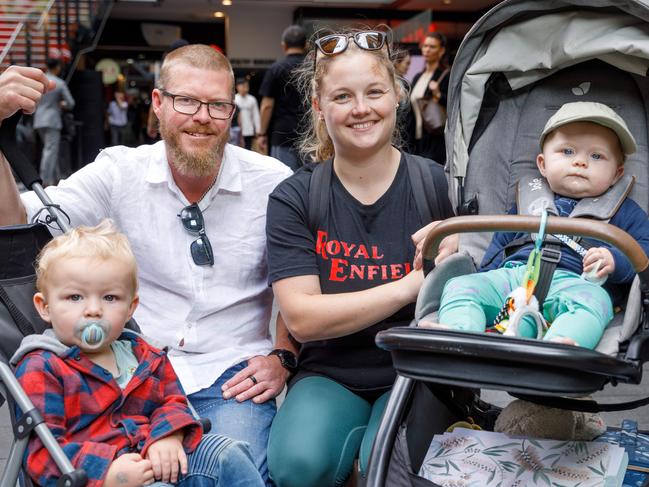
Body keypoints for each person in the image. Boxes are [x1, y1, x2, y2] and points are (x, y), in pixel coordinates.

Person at [0, 45, 295, 486]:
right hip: (123, 371)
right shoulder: (121, 172)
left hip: (230, 375)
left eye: (217, 105)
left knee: (237, 471)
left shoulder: (272, 182)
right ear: (158, 104)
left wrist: (284, 355)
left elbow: (301, 276)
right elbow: (15, 225)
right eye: (186, 101)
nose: (202, 116)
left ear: (232, 111)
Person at [264, 28, 455, 487]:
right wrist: (412, 285)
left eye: (374, 92)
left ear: (397, 95)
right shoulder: (295, 197)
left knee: (386, 465)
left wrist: (459, 254)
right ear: (318, 106)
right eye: (343, 96)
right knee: (295, 466)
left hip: (419, 369)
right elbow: (304, 319)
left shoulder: (436, 184)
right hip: (331, 372)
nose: (361, 108)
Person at [11, 221, 265, 487]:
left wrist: (168, 434)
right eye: (75, 298)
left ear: (131, 307)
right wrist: (107, 473)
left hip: (155, 455)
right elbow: (41, 454)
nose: (93, 310)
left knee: (227, 453)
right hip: (93, 476)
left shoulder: (144, 355)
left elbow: (173, 402)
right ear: (45, 307)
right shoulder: (42, 367)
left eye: (110, 298)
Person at [420, 102, 649, 350]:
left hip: (577, 283)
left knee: (593, 303)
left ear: (616, 174)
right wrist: (488, 276)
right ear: (542, 164)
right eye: (568, 152)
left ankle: (561, 344)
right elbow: (500, 244)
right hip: (515, 277)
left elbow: (645, 251)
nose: (580, 162)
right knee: (460, 285)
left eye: (596, 156)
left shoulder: (625, 211)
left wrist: (616, 260)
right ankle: (459, 332)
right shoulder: (526, 201)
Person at [256, 24, 307, 169]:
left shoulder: (276, 69)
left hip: (282, 134)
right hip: (310, 135)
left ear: (284, 46)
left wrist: (261, 134)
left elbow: (267, 106)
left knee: (284, 181)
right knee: (311, 182)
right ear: (306, 45)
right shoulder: (313, 67)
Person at [33, 58, 75, 186]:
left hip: (39, 118)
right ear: (57, 67)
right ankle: (45, 181)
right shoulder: (59, 83)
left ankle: (55, 178)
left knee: (51, 150)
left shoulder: (38, 82)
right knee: (50, 150)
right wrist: (61, 104)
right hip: (52, 120)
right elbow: (71, 103)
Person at [409, 32, 449, 164]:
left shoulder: (445, 75)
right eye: (425, 46)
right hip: (416, 136)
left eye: (432, 47)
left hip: (435, 136)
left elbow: (454, 104)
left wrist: (438, 94)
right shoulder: (418, 76)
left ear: (441, 50)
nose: (427, 50)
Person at [234, 77, 261, 150]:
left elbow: (256, 115)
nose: (245, 88)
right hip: (236, 130)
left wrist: (258, 129)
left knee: (248, 149)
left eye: (247, 86)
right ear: (237, 87)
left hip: (249, 130)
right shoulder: (234, 99)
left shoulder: (252, 99)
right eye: (243, 86)